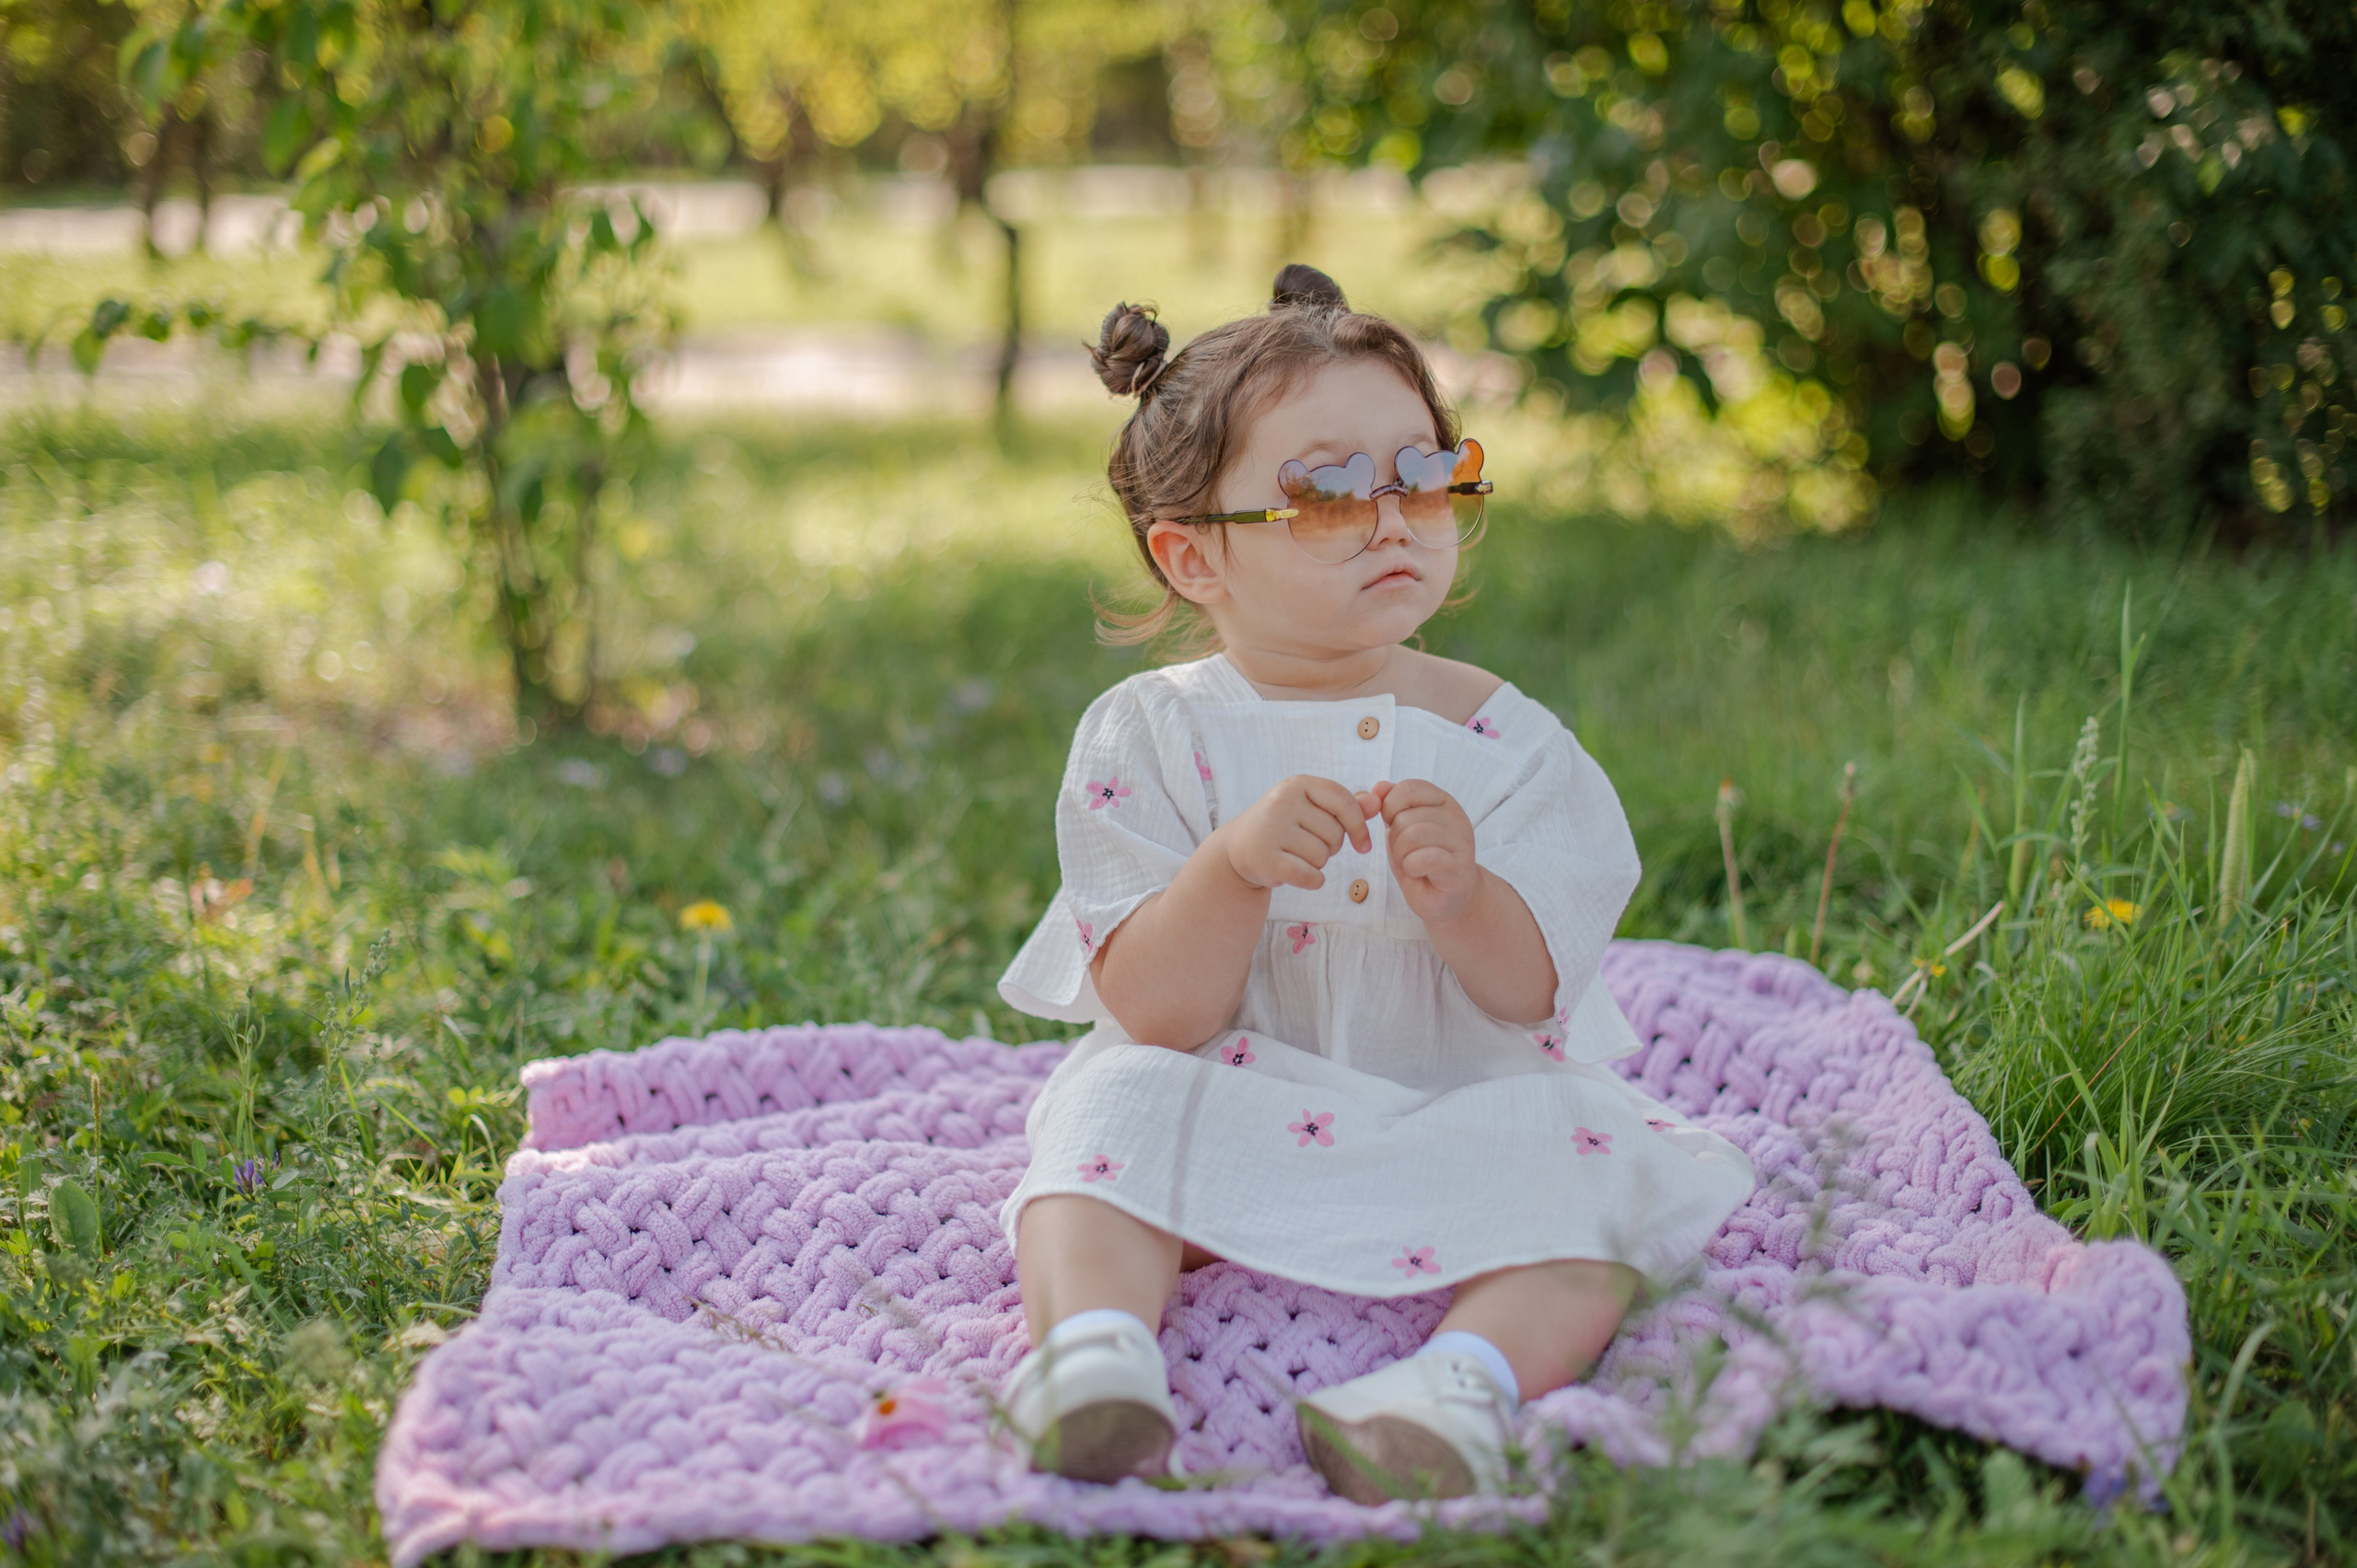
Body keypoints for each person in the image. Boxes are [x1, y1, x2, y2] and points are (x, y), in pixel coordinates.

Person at [993, 264, 1755, 1502]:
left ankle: (1458, 1387)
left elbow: (1527, 998)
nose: (1396, 516)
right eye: (1332, 493)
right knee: (1097, 1120)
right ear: (1192, 559)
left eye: (1425, 473)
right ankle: (1092, 1356)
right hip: (1221, 1097)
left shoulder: (1508, 744)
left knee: (1611, 1172)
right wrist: (1231, 870)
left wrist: (1465, 900)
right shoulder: (1150, 739)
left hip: (1452, 1106)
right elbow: (1155, 1012)